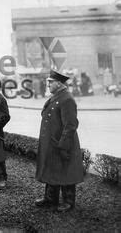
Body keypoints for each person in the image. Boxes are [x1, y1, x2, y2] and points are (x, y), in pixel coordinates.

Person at [35, 70, 84, 212]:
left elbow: (71, 125)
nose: (48, 84)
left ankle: (69, 202)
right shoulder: (57, 96)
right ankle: (50, 198)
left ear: (59, 83)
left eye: (50, 82)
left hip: (62, 143)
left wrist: (63, 145)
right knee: (52, 169)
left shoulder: (67, 99)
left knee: (65, 171)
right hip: (52, 142)